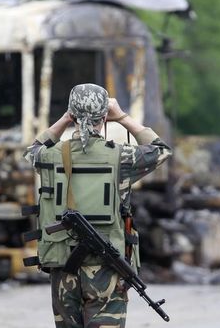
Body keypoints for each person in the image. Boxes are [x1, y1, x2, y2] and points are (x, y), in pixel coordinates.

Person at [24, 83, 172, 328]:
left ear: (71, 114)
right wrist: (123, 117)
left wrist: (63, 120)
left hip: (62, 267)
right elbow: (162, 150)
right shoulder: (122, 157)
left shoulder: (49, 157)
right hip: (106, 268)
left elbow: (31, 150)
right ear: (104, 117)